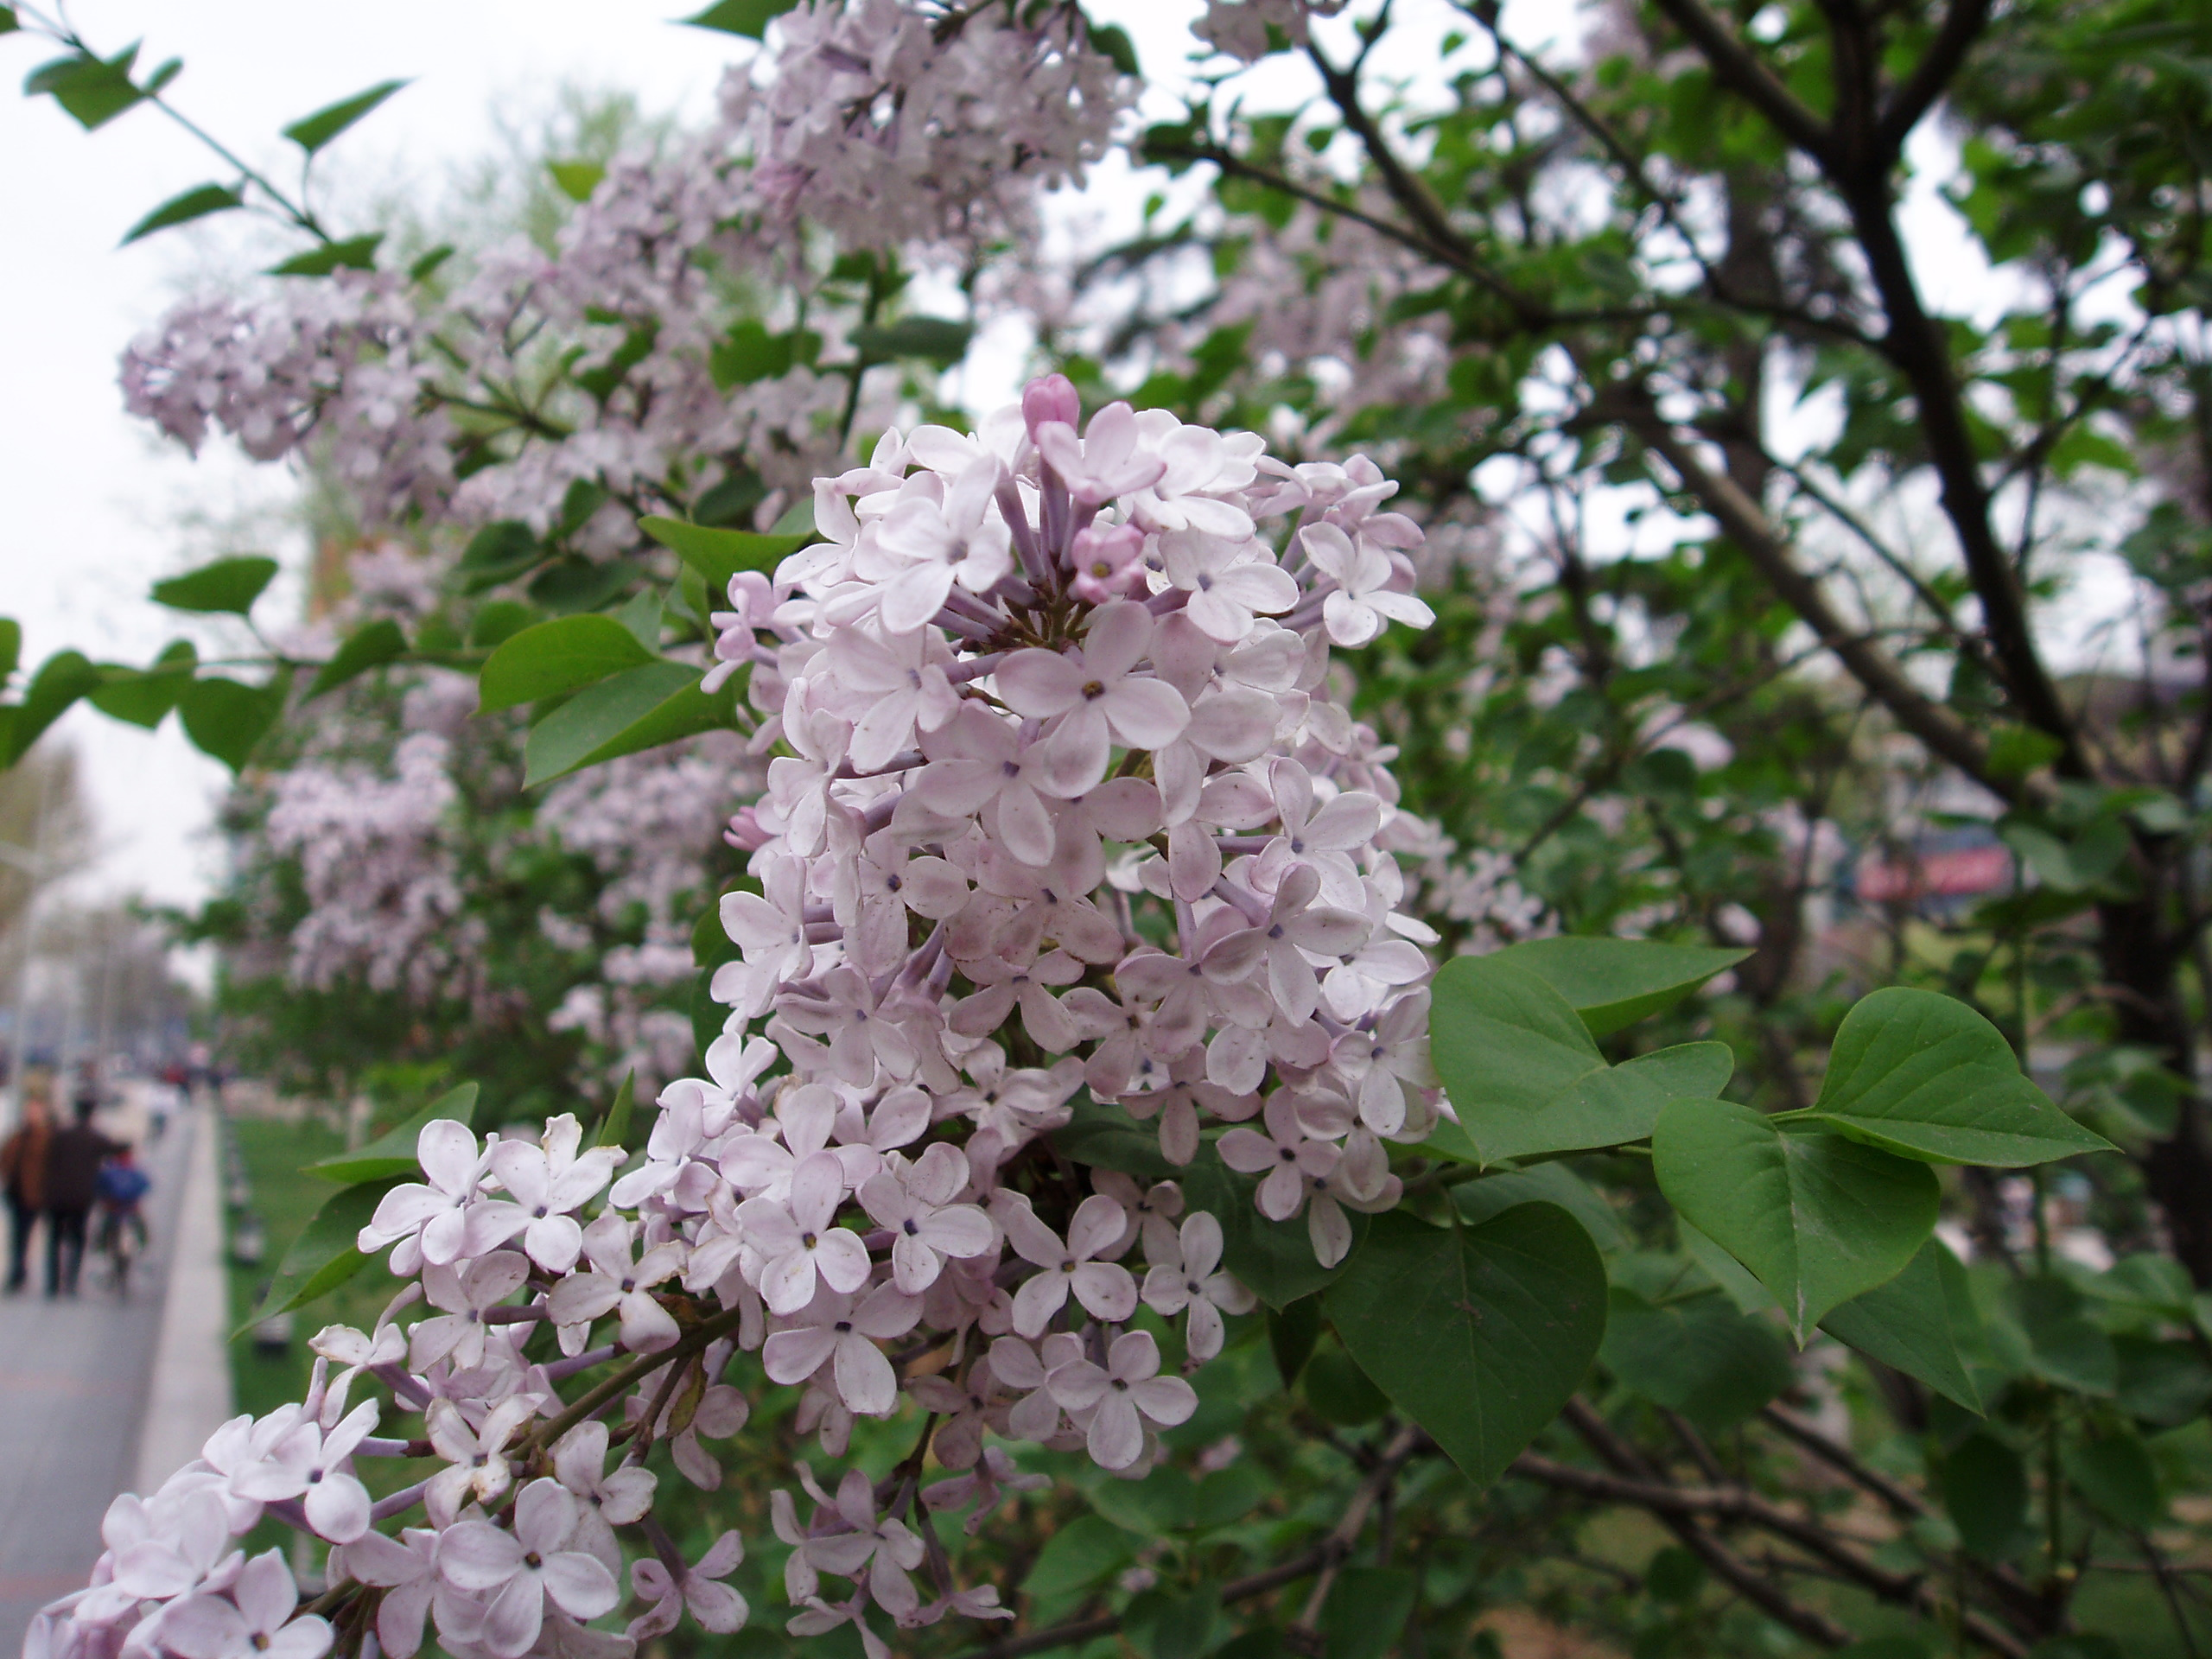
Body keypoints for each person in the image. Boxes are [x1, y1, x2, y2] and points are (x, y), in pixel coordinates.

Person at [42, 1097, 122, 1298]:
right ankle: (72, 1280)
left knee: (54, 1239)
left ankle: (53, 1283)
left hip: (57, 1196)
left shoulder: (60, 1136)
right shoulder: (95, 1137)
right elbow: (116, 1151)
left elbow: (48, 1162)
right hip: (82, 1197)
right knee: (78, 1238)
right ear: (92, 1114)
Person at [1, 1090, 53, 1294]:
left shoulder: (46, 1137)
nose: (30, 1115)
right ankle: (17, 1271)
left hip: (36, 1194)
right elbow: (5, 1159)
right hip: (15, 1193)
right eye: (28, 1111)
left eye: (35, 1112)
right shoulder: (16, 1136)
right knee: (17, 1235)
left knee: (27, 1234)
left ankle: (20, 1271)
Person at [94, 1145, 151, 1294]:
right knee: (141, 1233)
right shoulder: (134, 1170)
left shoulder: (108, 1171)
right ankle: (142, 1247)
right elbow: (145, 1185)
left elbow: (99, 1189)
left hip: (114, 1212)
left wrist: (106, 1200)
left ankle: (102, 1247)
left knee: (105, 1235)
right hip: (130, 1211)